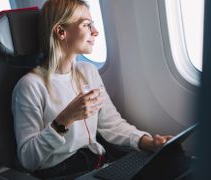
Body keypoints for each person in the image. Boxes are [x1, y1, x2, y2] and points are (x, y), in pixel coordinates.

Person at [11, 0, 172, 179]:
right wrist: (64, 119)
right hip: (60, 173)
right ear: (61, 32)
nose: (95, 32)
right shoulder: (30, 86)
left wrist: (147, 142)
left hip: (96, 163)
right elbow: (28, 159)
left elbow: (111, 124)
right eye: (87, 25)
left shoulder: (88, 72)